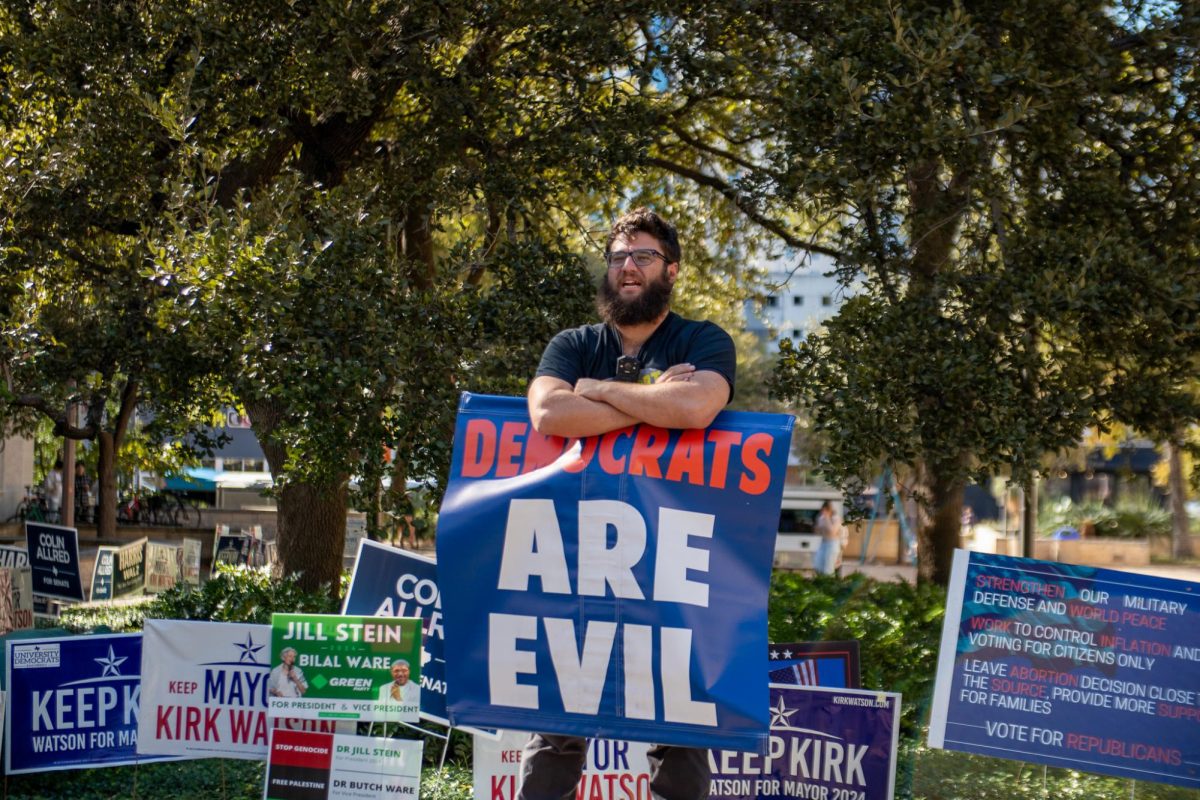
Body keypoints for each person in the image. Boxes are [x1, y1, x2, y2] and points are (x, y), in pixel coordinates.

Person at [521, 207, 736, 800]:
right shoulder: (573, 344)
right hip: (575, 558)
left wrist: (597, 395)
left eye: (642, 256)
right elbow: (547, 413)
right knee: (558, 717)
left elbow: (696, 409)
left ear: (671, 269)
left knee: (680, 719)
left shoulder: (702, 340)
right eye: (618, 257)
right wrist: (651, 400)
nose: (628, 268)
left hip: (671, 562)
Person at [814, 501, 842, 575]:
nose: (823, 512)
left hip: (832, 544)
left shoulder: (835, 518)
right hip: (823, 543)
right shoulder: (821, 518)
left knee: (828, 568)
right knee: (818, 565)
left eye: (825, 510)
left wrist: (827, 518)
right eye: (822, 510)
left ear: (829, 510)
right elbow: (817, 531)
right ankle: (820, 581)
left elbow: (832, 531)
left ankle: (828, 583)